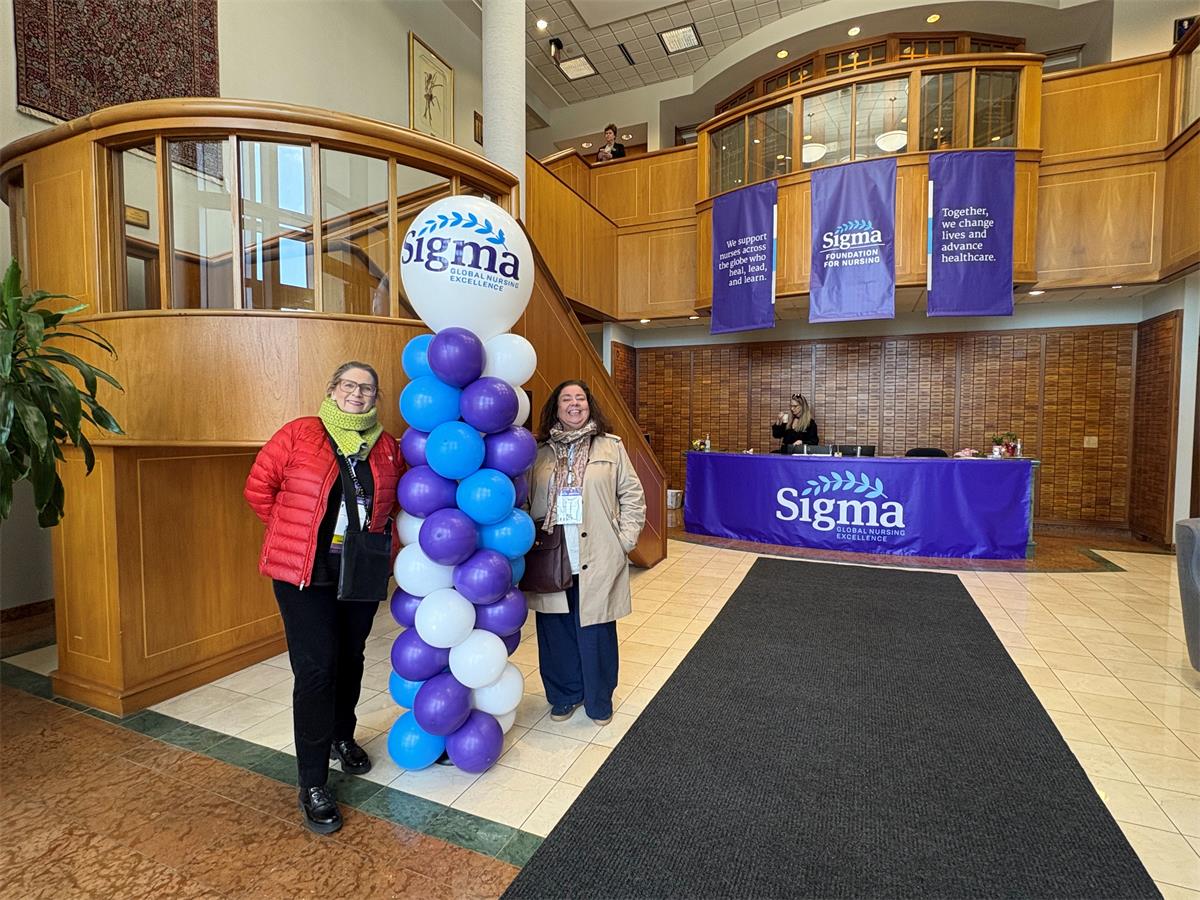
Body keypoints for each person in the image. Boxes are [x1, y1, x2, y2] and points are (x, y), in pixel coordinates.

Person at [244, 361, 402, 835]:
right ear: (332, 390)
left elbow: (393, 505)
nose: (357, 393)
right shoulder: (298, 434)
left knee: (351, 658)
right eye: (349, 385)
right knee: (316, 670)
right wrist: (297, 534)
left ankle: (341, 736)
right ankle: (312, 783)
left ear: (375, 398)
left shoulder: (387, 447)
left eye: (366, 388)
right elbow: (259, 491)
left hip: (359, 571)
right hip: (303, 571)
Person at [526, 380, 645, 725]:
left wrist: (625, 540)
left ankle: (598, 700)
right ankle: (564, 695)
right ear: (556, 407)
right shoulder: (539, 452)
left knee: (596, 629)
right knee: (555, 627)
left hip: (598, 550)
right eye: (567, 399)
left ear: (589, 405)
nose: (574, 404)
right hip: (551, 551)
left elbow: (633, 496)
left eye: (580, 398)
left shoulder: (611, 447)